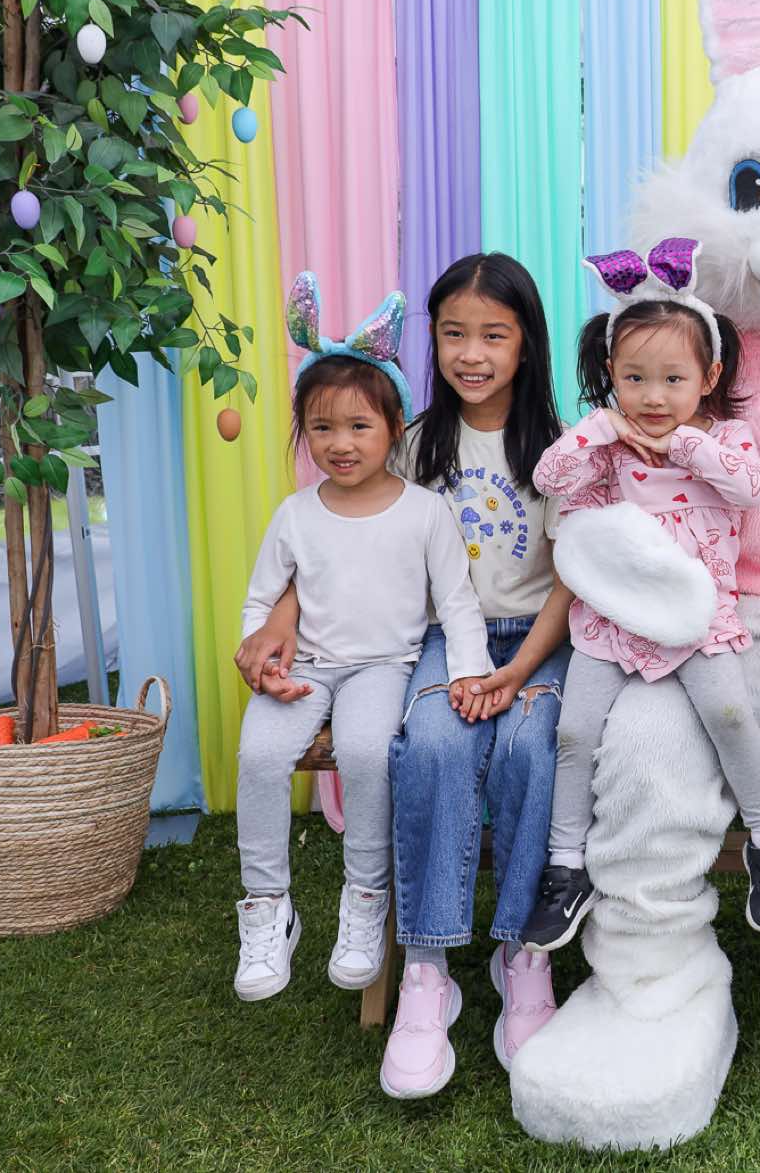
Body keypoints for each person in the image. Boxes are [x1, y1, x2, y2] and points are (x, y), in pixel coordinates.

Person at [238, 255, 575, 1098]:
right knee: (429, 745)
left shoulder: (561, 451)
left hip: (537, 639)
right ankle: (426, 969)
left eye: (493, 335)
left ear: (526, 343)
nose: (471, 353)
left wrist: (518, 670)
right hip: (438, 638)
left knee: (533, 749)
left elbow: (573, 580)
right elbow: (340, 542)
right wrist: (282, 616)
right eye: (453, 333)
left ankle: (521, 954)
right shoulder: (415, 441)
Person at [229, 277, 491, 1028]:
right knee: (258, 755)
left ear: (394, 426)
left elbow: (458, 603)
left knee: (370, 752)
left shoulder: (425, 512)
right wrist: (263, 661)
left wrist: (470, 674)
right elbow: (261, 605)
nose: (339, 444)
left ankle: (366, 897)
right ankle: (267, 906)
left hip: (385, 668)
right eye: (321, 428)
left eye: (357, 426)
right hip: (306, 670)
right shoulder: (295, 515)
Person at [519, 239, 760, 952]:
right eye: (634, 378)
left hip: (699, 619)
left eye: (673, 379)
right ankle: (566, 863)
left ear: (709, 376)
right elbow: (550, 480)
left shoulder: (725, 439)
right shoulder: (605, 449)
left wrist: (680, 445)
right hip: (613, 619)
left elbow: (752, 488)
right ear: (611, 374)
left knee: (731, 713)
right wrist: (599, 427)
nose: (652, 396)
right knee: (576, 732)